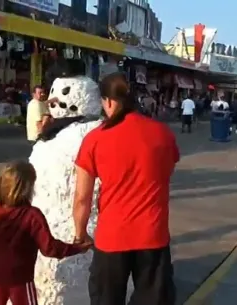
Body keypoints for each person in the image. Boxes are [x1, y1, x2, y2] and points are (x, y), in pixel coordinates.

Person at [73, 73, 178, 305]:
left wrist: (80, 234)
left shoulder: (95, 139)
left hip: (112, 238)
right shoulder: (163, 133)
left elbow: (82, 197)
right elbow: (166, 172)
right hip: (153, 236)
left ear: (108, 101)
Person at [0, 161, 91, 305]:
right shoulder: (31, 216)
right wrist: (77, 248)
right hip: (20, 278)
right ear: (27, 188)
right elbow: (49, 248)